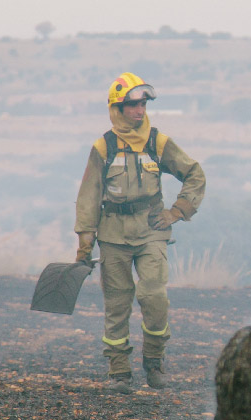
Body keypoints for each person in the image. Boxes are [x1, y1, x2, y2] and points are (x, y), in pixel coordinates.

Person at [74, 72, 206, 392]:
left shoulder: (157, 142)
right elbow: (89, 196)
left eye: (143, 104)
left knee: (154, 297)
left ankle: (154, 363)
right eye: (133, 105)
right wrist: (85, 245)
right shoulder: (103, 147)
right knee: (117, 304)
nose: (140, 110)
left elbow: (194, 174)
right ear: (117, 108)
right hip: (113, 235)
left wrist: (176, 212)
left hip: (151, 231)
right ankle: (119, 372)